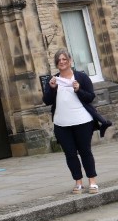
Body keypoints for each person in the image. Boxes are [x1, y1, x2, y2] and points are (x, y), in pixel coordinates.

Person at [42, 49, 111, 195]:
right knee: (70, 154)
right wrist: (52, 88)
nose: (62, 62)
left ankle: (92, 181)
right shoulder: (54, 80)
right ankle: (78, 182)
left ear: (70, 61)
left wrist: (78, 89)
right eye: (59, 60)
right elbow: (47, 101)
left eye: (64, 59)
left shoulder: (81, 77)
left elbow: (90, 97)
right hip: (62, 124)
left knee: (85, 151)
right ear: (56, 63)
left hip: (82, 121)